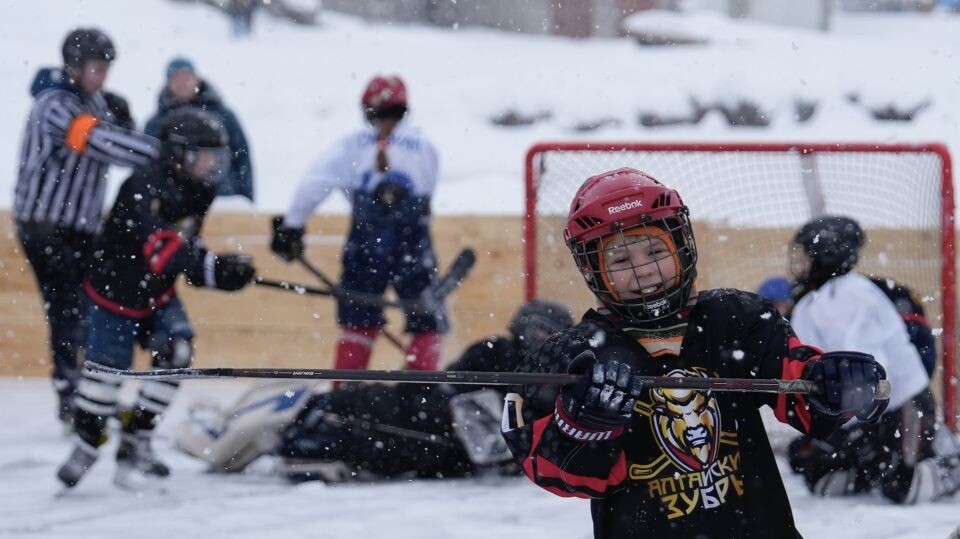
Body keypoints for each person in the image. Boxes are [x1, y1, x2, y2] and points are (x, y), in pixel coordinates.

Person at [500, 168, 889, 539]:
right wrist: (580, 428)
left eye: (655, 251)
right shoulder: (576, 353)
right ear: (592, 269)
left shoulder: (737, 319)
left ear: (682, 243)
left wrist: (832, 384)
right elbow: (554, 469)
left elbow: (803, 398)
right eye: (620, 260)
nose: (644, 270)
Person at [55, 108, 257, 491]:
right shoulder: (142, 185)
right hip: (114, 294)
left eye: (216, 155)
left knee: (177, 352)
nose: (213, 164)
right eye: (205, 155)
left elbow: (185, 244)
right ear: (180, 153)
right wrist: (210, 267)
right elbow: (163, 249)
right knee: (105, 376)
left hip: (156, 292)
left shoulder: (200, 190)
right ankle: (87, 442)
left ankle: (136, 440)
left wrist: (223, 271)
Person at [174, 300, 574, 483]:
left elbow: (493, 444)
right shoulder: (496, 350)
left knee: (344, 425)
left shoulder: (546, 383)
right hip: (419, 413)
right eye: (539, 333)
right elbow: (453, 386)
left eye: (548, 336)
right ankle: (239, 434)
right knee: (334, 408)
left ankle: (281, 443)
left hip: (427, 436)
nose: (541, 342)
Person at [13, 28, 160, 426]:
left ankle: (90, 391)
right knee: (68, 308)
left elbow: (117, 137)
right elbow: (99, 141)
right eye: (96, 69)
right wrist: (163, 153)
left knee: (94, 306)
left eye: (106, 69)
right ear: (74, 67)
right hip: (45, 226)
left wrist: (128, 125)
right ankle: (71, 394)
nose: (103, 77)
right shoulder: (55, 106)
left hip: (80, 228)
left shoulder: (91, 101)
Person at [271, 75, 444, 376]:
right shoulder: (425, 147)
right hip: (412, 243)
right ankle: (423, 390)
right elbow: (427, 193)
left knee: (358, 322)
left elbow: (315, 182)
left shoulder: (351, 146)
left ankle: (346, 391)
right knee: (426, 322)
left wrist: (293, 225)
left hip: (366, 243)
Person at [785, 216, 960, 504]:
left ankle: (948, 464)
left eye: (807, 254)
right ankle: (877, 464)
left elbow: (875, 375)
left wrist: (862, 428)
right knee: (822, 479)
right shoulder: (808, 303)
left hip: (902, 405)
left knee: (903, 488)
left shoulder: (854, 294)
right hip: (856, 412)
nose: (800, 262)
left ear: (827, 254)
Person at [144, 57, 253, 201]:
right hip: (172, 202)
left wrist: (246, 200)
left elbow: (242, 157)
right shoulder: (156, 123)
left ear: (197, 79)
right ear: (168, 83)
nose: (182, 83)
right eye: (176, 78)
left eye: (186, 77)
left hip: (224, 200)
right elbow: (145, 164)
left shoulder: (224, 116)